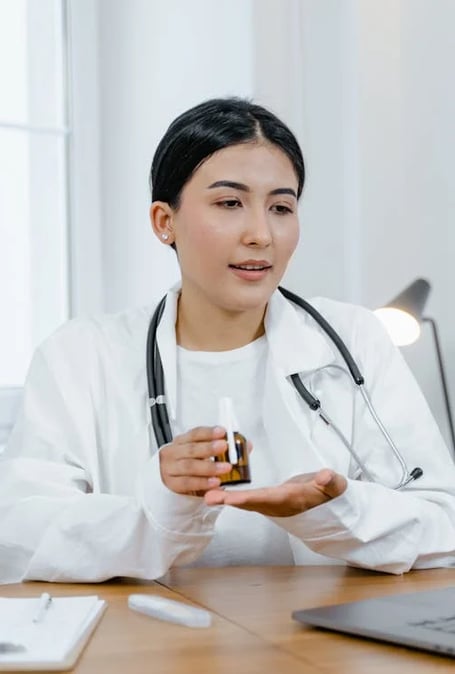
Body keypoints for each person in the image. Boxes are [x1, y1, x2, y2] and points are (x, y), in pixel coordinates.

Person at [1, 97, 455, 585]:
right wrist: (162, 506)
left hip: (317, 649)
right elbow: (19, 538)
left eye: (281, 207)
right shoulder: (82, 357)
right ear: (164, 221)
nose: (261, 234)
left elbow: (442, 526)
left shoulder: (353, 338)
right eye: (229, 203)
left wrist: (333, 511)